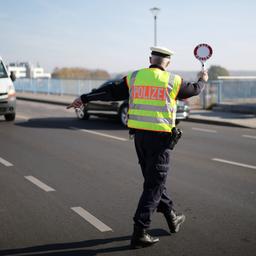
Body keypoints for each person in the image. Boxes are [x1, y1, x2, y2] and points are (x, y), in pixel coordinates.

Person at [67, 46, 208, 249]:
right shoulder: (173, 81)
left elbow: (110, 92)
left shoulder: (134, 78)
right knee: (154, 185)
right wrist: (203, 78)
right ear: (167, 62)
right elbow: (195, 90)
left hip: (140, 138)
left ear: (150, 58)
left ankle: (171, 215)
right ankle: (140, 231)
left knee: (153, 180)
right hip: (160, 141)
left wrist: (84, 98)